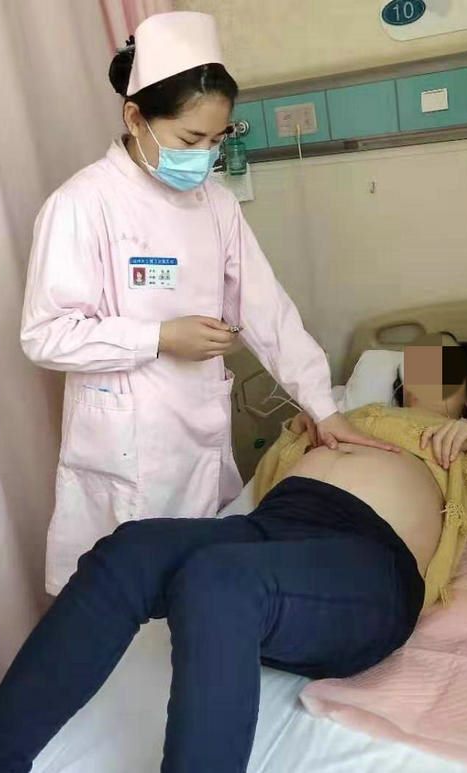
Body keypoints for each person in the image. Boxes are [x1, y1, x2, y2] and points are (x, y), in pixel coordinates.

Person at [0, 340, 467, 773]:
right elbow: (267, 484)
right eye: (422, 356)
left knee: (220, 579)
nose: (428, 362)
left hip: (367, 562)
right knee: (129, 548)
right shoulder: (346, 416)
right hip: (272, 529)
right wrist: (307, 433)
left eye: (446, 361)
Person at [20, 12, 394, 595]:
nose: (204, 157)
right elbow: (46, 334)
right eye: (190, 140)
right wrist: (159, 337)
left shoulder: (214, 203)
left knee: (199, 586)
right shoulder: (83, 204)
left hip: (198, 429)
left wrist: (324, 408)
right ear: (135, 117)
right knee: (124, 591)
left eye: (217, 141)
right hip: (127, 444)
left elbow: (267, 310)